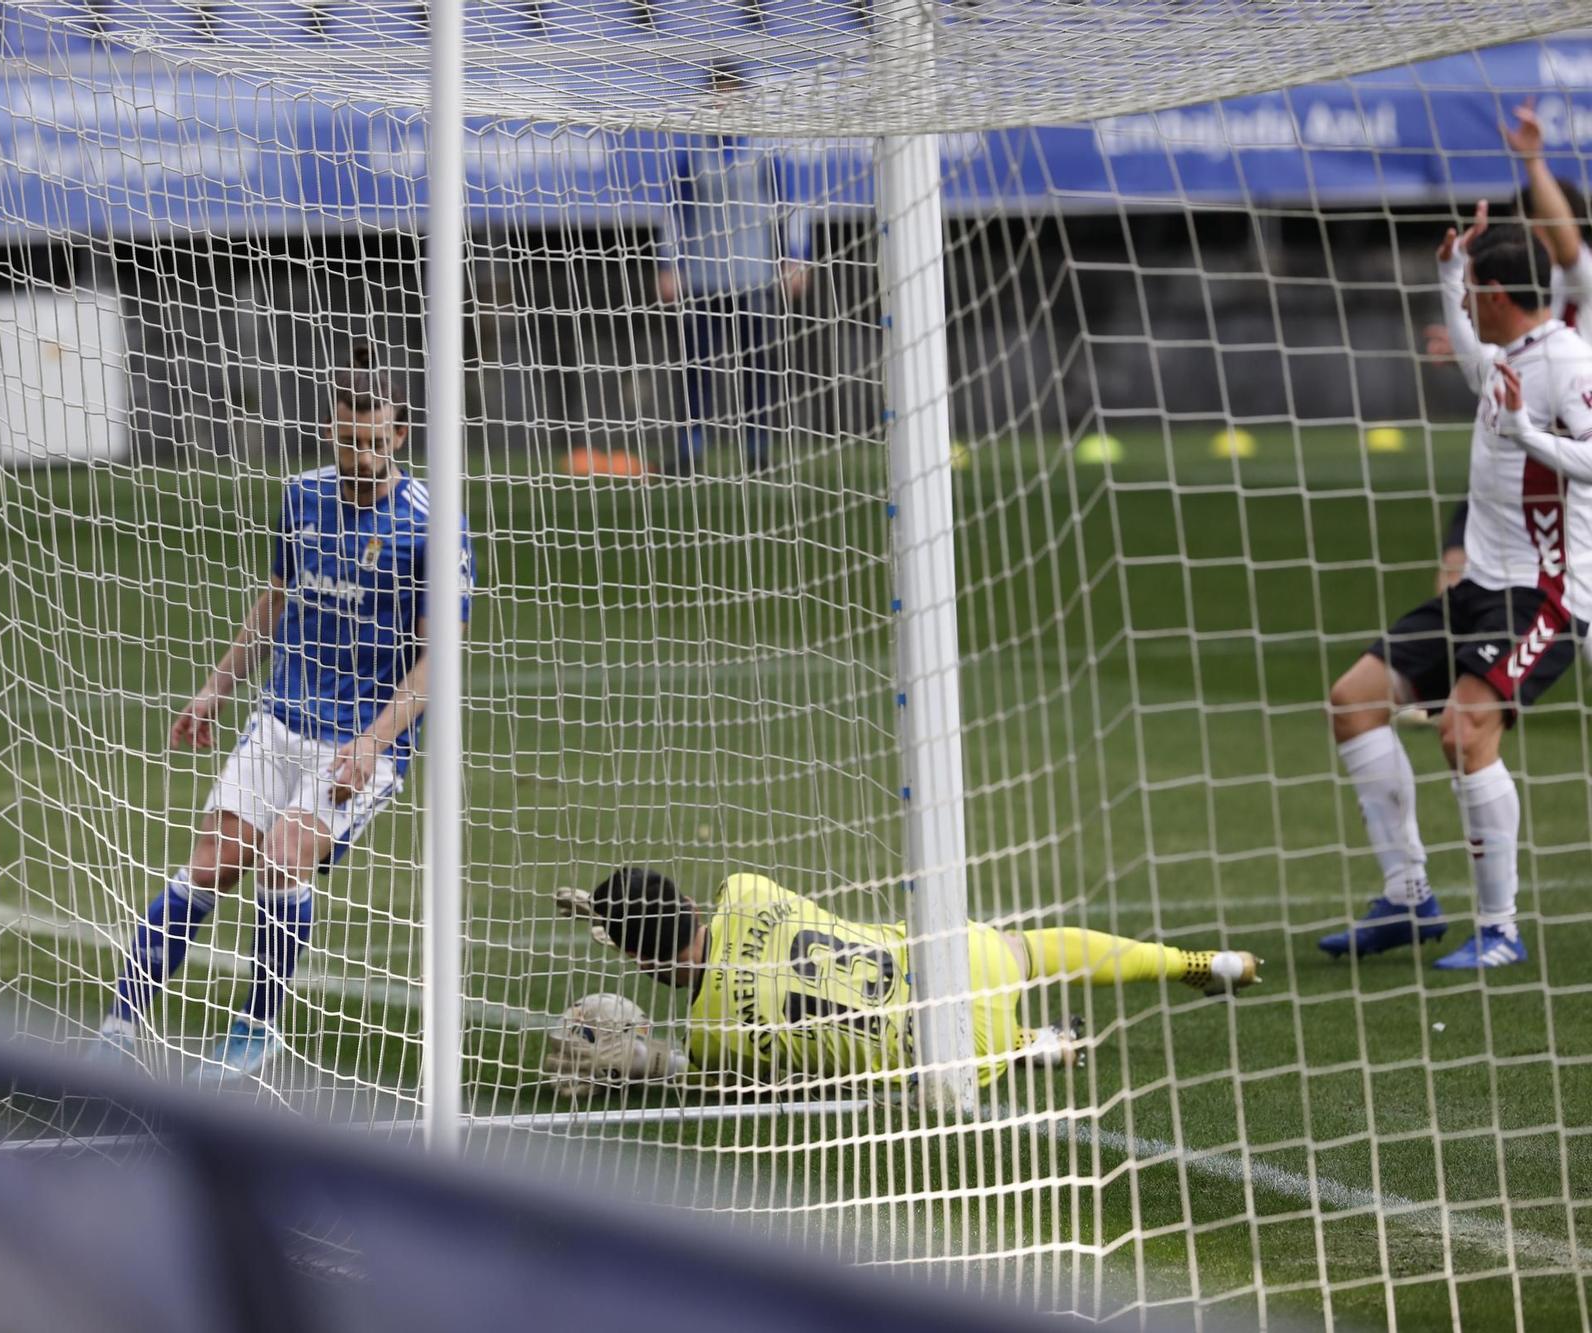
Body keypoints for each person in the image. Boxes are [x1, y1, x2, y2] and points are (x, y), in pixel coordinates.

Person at [99, 343, 473, 1081]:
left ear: (399, 436)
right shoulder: (302, 495)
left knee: (283, 859)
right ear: (330, 431)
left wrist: (371, 745)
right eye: (345, 439)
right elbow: (272, 603)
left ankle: (255, 1028)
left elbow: (441, 659)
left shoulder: (431, 525)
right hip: (280, 716)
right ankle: (118, 1026)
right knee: (212, 864)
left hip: (359, 738)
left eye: (373, 441)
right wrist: (215, 687)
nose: (358, 455)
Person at [1323, 218, 1592, 968]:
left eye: (1474, 289)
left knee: (1463, 733)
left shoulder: (1568, 361)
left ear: (1501, 293)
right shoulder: (1512, 353)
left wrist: (1525, 434)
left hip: (1543, 593)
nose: (1467, 304)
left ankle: (1500, 928)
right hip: (1476, 587)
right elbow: (1478, 363)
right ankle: (1408, 897)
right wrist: (1447, 270)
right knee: (1354, 700)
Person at [550, 869, 1259, 1092]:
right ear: (693, 904)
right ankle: (1201, 963)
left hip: (949, 1056)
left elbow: (699, 1067)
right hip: (955, 960)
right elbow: (670, 921)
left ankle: (1027, 1043)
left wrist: (635, 1059)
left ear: (639, 961)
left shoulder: (709, 1036)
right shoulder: (745, 890)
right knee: (1030, 949)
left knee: (833, 1061)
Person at [1420, 102, 1592, 608]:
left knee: (1567, 614)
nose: (1525, 235)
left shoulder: (1579, 279)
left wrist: (1533, 161)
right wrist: (1473, 352)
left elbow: (1566, 245)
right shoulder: (1526, 295)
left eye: (1533, 222)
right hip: (1514, 449)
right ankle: (1468, 682)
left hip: (1568, 452)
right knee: (1458, 573)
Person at [657, 61, 811, 477]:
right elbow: (674, 214)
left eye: (730, 94)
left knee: (756, 366)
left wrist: (795, 257)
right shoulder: (692, 156)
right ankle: (691, 450)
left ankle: (758, 451)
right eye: (716, 94)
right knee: (697, 367)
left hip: (754, 276)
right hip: (703, 278)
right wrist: (669, 264)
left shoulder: (764, 152)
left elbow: (791, 208)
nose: (723, 102)